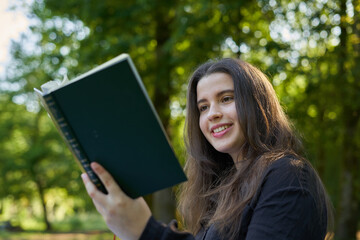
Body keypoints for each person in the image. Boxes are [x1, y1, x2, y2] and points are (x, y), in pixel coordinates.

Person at [81, 58, 333, 240]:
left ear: (258, 105)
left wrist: (146, 231)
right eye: (203, 107)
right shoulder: (219, 192)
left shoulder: (287, 175)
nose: (212, 114)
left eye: (226, 99)